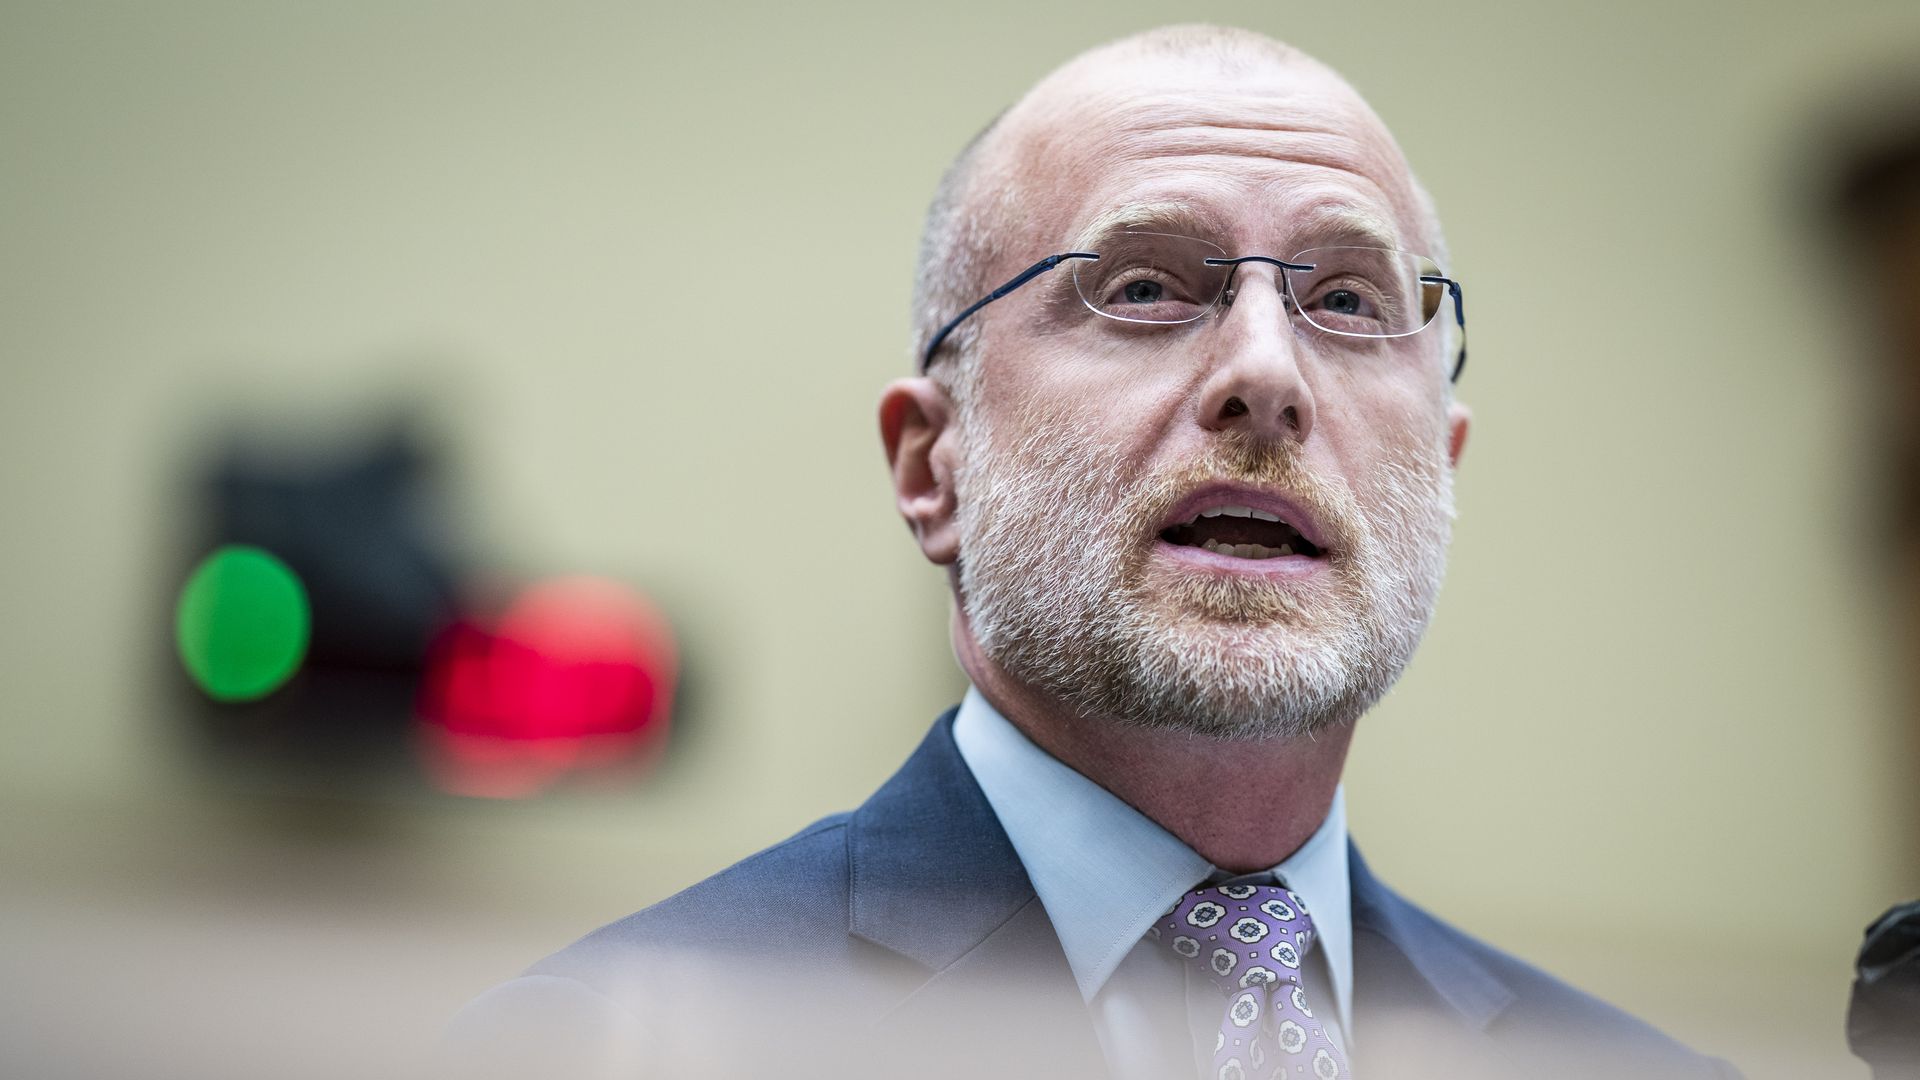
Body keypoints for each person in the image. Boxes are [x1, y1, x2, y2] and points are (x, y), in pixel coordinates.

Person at [446, 25, 1740, 1080]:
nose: (1267, 375)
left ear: (1440, 472)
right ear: (931, 467)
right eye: (1145, 287)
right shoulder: (600, 1047)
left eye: (1348, 300)